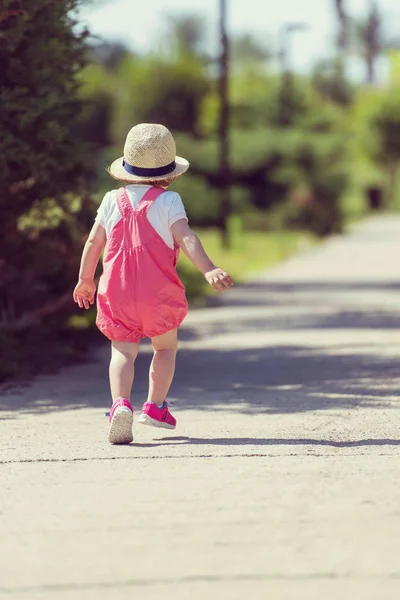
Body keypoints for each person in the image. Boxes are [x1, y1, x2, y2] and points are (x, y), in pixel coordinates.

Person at [73, 123, 233, 445]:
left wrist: (85, 280)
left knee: (122, 350)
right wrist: (209, 268)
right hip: (157, 293)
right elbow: (186, 238)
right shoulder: (170, 201)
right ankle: (156, 406)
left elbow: (93, 244)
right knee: (165, 347)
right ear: (170, 172)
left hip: (116, 290)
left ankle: (120, 405)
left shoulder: (109, 200)